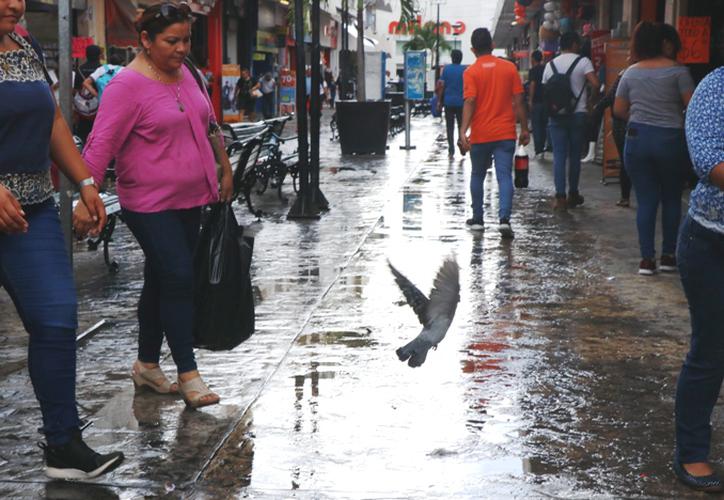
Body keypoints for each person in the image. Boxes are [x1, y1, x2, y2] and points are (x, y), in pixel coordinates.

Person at [77, 2, 234, 408]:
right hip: (147, 203)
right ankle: (189, 373)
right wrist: (85, 193)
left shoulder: (188, 73)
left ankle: (146, 365)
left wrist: (224, 166)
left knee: (161, 279)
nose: (182, 48)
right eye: (172, 41)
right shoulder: (126, 86)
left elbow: (209, 122)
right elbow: (100, 144)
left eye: (186, 39)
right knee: (179, 276)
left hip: (192, 197)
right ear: (145, 41)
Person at [0, 0, 124, 479]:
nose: (15, 3)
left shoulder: (25, 43)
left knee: (55, 320)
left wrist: (86, 182)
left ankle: (63, 444)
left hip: (31, 211)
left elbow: (52, 120)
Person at [673, 46, 724, 492]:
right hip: (711, 241)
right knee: (711, 352)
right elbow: (708, 161)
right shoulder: (714, 88)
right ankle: (691, 451)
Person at [613, 21, 693, 275]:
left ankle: (646, 260)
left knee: (646, 200)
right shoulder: (679, 73)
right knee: (671, 198)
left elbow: (618, 110)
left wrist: (642, 118)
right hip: (671, 140)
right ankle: (669, 256)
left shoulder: (630, 73)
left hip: (637, 139)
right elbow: (692, 106)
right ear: (664, 43)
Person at [459, 28, 529, 239]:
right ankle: (504, 220)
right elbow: (519, 101)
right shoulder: (509, 69)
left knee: (478, 175)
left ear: (472, 49)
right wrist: (525, 128)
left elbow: (470, 101)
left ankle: (478, 219)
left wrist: (463, 131)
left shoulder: (471, 72)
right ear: (491, 45)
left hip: (481, 134)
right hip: (505, 133)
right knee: (504, 176)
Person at [543, 31, 599, 210]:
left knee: (558, 156)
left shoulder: (550, 64)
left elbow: (546, 91)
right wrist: (590, 101)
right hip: (578, 114)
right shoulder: (583, 61)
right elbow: (596, 84)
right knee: (575, 156)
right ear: (574, 44)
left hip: (556, 116)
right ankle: (573, 194)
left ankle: (560, 197)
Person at [594, 66, 632, 207]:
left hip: (624, 124)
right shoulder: (671, 71)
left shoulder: (626, 73)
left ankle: (625, 197)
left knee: (625, 160)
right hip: (651, 124)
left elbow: (611, 97)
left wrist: (597, 108)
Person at [437, 49, 466, 158]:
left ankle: (451, 150)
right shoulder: (465, 70)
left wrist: (439, 101)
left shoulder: (446, 70)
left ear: (452, 58)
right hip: (461, 102)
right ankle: (461, 142)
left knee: (450, 127)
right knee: (461, 126)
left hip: (448, 102)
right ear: (461, 58)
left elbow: (441, 86)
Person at [73, 44, 102, 142]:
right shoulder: (102, 69)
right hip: (99, 105)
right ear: (99, 55)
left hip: (83, 107)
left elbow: (76, 89)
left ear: (86, 55)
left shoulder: (80, 69)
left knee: (83, 132)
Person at [527, 50, 548, 159]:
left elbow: (532, 85)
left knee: (536, 126)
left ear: (533, 59)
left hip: (537, 102)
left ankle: (538, 150)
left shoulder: (533, 71)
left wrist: (530, 100)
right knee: (544, 125)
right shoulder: (546, 69)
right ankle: (543, 148)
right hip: (546, 102)